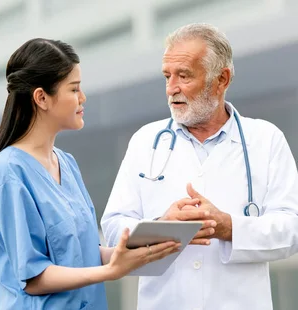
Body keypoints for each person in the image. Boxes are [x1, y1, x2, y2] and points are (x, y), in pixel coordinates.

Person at [100, 23, 298, 310]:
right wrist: (160, 227)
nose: (172, 89)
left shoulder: (266, 140)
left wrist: (229, 227)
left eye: (184, 76)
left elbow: (292, 228)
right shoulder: (145, 141)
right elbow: (114, 228)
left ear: (222, 79)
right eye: (167, 76)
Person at [0, 38, 182, 310]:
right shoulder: (7, 175)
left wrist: (157, 235)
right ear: (41, 98)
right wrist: (111, 272)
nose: (82, 98)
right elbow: (34, 276)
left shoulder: (67, 164)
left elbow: (85, 255)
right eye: (74, 89)